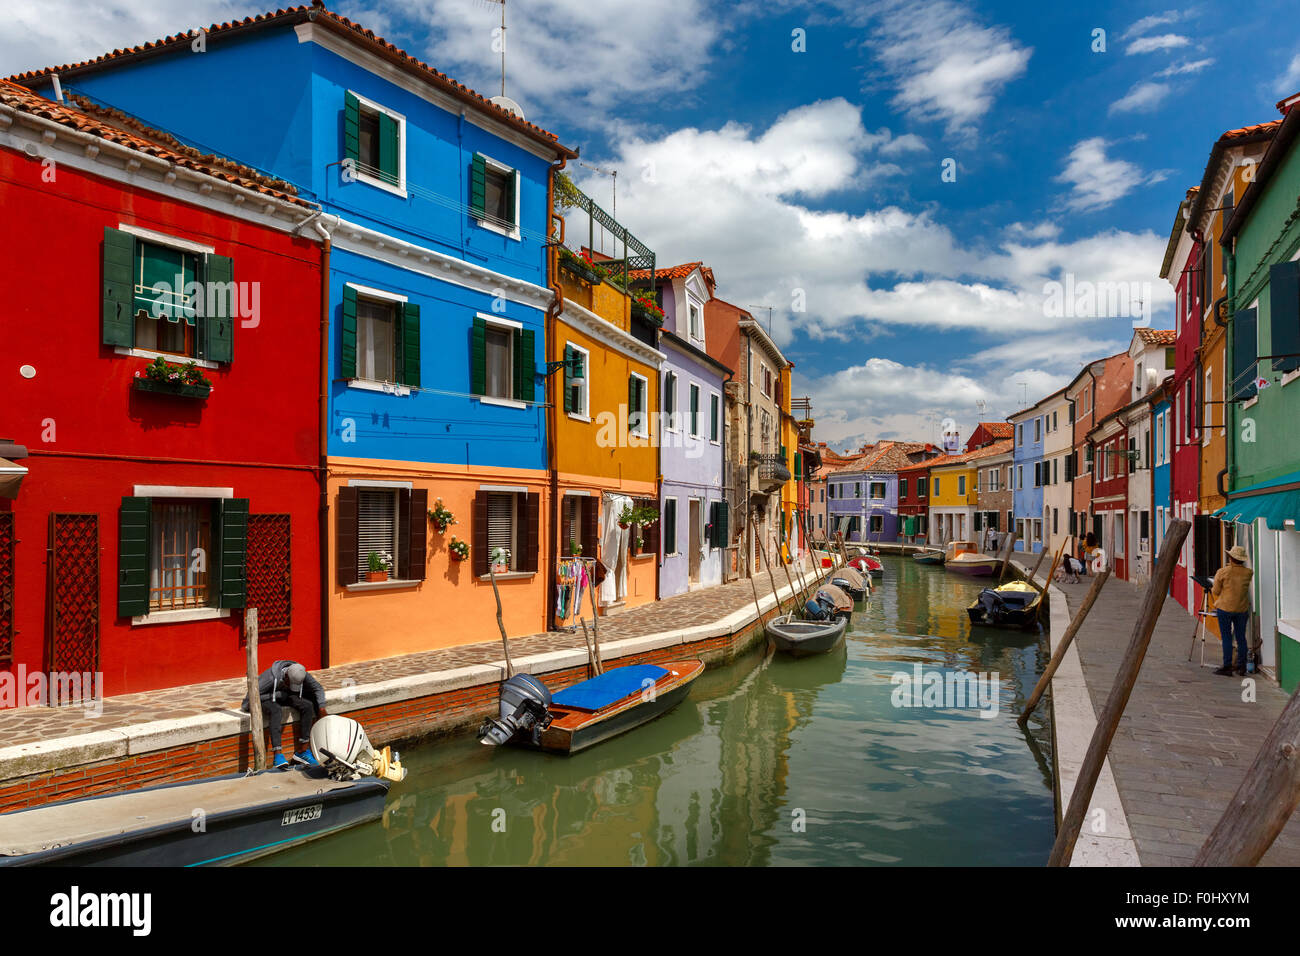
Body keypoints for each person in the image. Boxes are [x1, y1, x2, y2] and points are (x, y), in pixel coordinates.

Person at [242, 660, 327, 768]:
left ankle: (303, 750)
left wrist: (322, 708)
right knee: (276, 710)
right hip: (266, 698)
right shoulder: (270, 679)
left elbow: (318, 688)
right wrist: (278, 695)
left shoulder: (300, 673)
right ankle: (277, 755)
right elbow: (249, 700)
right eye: (291, 683)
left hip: (284, 695)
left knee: (307, 706)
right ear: (286, 676)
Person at [1211, 545, 1254, 677]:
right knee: (1241, 638)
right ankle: (1242, 666)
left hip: (1225, 608)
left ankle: (1227, 666)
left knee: (1226, 637)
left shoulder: (1223, 572)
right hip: (1241, 609)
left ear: (1230, 558)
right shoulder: (1248, 572)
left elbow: (1216, 591)